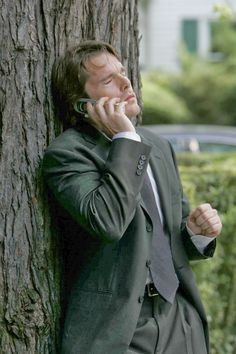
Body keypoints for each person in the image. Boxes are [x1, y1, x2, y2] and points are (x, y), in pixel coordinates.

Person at [43, 40, 222, 354]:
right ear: (82, 104)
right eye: (109, 81)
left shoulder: (159, 146)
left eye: (123, 73)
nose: (127, 83)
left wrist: (197, 234)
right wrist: (125, 138)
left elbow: (166, 242)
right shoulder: (68, 154)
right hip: (118, 333)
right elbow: (109, 222)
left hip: (180, 321)